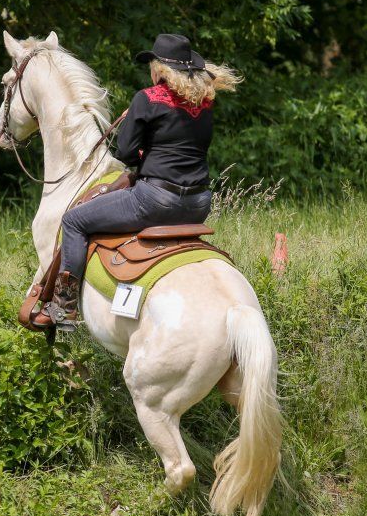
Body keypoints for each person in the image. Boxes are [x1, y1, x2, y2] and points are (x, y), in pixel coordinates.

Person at [33, 33, 242, 330]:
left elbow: (127, 153)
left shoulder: (146, 99)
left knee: (74, 221)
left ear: (159, 69)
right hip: (198, 204)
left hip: (156, 201)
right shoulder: (205, 103)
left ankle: (64, 308)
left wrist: (136, 123)